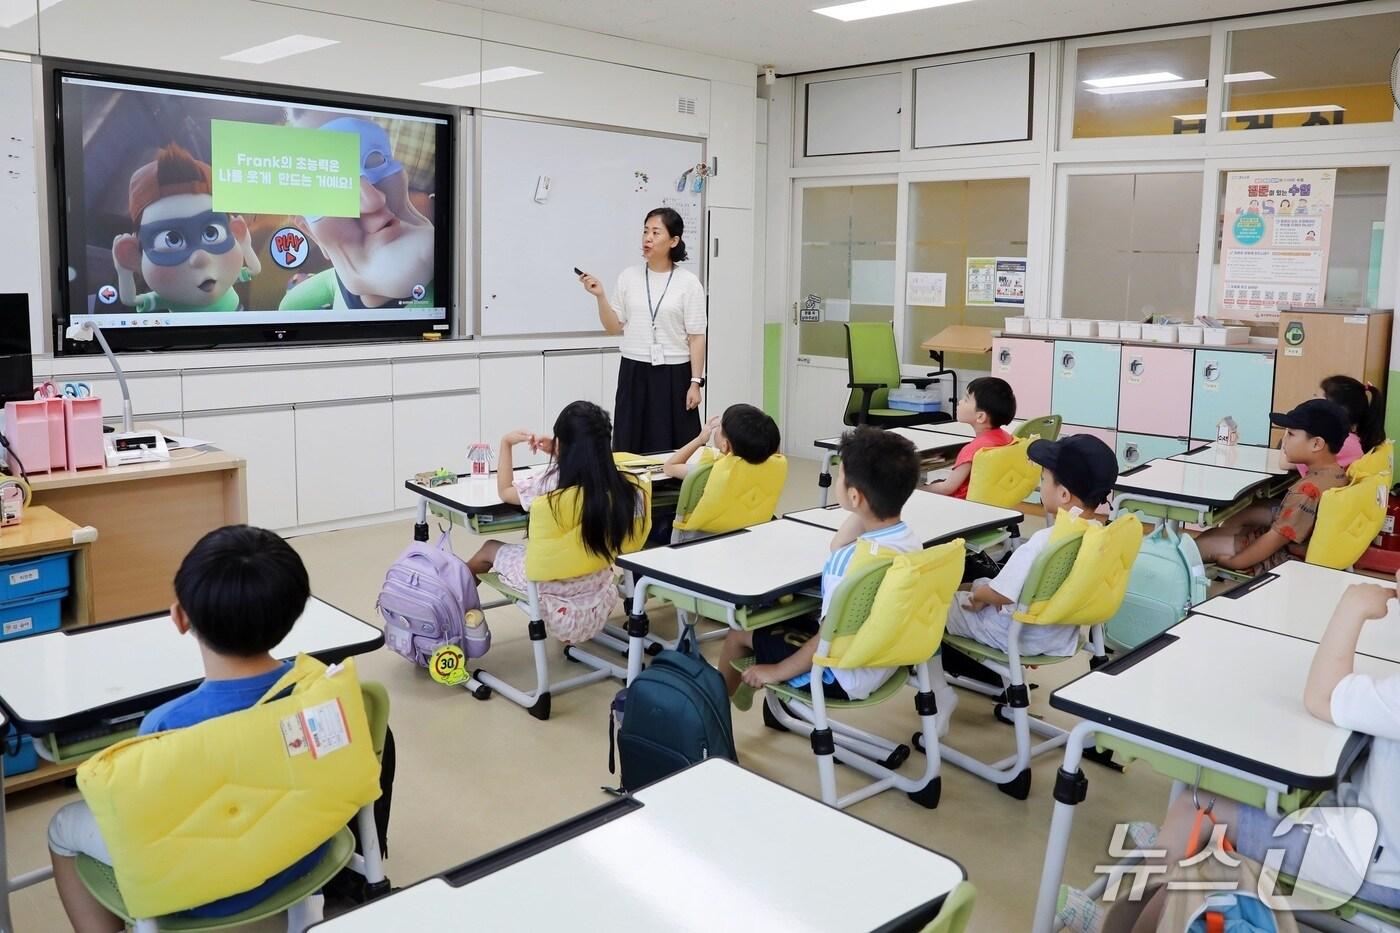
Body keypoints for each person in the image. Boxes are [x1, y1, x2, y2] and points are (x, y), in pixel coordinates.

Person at [1058, 573, 1400, 932]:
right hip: (1374, 841)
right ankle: (1171, 848)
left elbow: (1322, 697)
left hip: (1370, 865)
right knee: (1229, 794)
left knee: (1196, 806)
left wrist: (1351, 608)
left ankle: (1123, 922)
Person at [48, 526, 324, 931]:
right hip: (302, 855)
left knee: (62, 825)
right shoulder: (311, 689)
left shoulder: (166, 725)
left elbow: (151, 824)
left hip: (203, 892)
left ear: (179, 617)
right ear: (296, 612)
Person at [718, 428, 924, 708]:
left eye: (840, 475)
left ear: (855, 496)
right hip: (884, 659)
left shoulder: (848, 565)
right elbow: (839, 543)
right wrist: (860, 509)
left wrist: (776, 671)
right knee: (774, 619)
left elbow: (827, 638)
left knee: (739, 630)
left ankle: (717, 709)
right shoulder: (911, 542)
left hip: (839, 674)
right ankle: (775, 705)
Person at [467, 401, 645, 644]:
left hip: (550, 590)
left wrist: (506, 444)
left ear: (563, 443)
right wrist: (560, 451)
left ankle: (458, 609)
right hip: (598, 585)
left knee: (488, 548)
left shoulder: (549, 486)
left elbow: (505, 491)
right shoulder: (624, 486)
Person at [941, 434, 1119, 660]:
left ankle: (933, 680)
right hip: (1058, 634)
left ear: (1063, 494)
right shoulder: (1098, 535)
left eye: (1044, 479)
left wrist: (978, 598)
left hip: (1014, 634)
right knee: (976, 584)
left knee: (934, 604)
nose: (1040, 484)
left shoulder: (1043, 542)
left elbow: (999, 594)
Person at [578, 208, 707, 452]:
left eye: (655, 232)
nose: (647, 237)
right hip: (634, 369)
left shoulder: (688, 283)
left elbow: (697, 337)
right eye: (645, 231)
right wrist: (600, 296)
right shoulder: (629, 277)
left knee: (675, 442)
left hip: (675, 372)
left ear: (674, 241)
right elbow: (613, 327)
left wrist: (695, 383)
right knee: (631, 440)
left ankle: (676, 489)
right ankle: (631, 490)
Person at [279, 114, 436, 312]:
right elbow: (290, 307)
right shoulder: (337, 281)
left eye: (375, 161)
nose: (373, 200)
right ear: (309, 232)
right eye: (328, 188)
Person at [1196, 399, 1351, 571]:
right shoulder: (1337, 473)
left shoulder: (1306, 492)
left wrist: (1235, 562)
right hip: (1297, 545)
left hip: (1286, 557)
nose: (1283, 441)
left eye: (1290, 434)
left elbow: (1275, 539)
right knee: (1219, 531)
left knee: (1201, 545)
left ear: (1316, 444)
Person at [112, 143, 261, 314]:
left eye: (212, 233)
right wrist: (123, 270)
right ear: (131, 255)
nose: (200, 258)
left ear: (235, 231)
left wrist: (245, 245)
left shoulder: (227, 275)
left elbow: (254, 270)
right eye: (172, 240)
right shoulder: (167, 297)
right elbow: (130, 300)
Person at [922, 377, 1017, 499]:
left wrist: (915, 490)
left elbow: (947, 488)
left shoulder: (974, 450)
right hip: (992, 503)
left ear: (980, 416)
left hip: (963, 505)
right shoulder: (1007, 439)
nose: (960, 402)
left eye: (966, 400)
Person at [1281, 375, 1386, 475]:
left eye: (1322, 400)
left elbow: (1284, 463)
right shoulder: (1355, 439)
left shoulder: (1341, 442)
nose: (1314, 400)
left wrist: (1292, 423)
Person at [662, 403, 781, 481]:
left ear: (725, 446)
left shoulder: (710, 471)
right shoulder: (773, 468)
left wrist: (699, 440)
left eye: (720, 426)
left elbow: (669, 467)